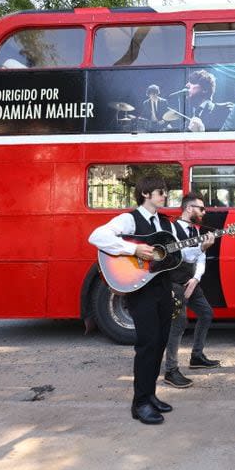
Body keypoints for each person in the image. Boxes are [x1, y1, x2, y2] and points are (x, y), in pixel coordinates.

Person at [87, 176, 176, 425]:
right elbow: (97, 236)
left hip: (162, 287)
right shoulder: (128, 219)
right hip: (141, 290)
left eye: (165, 192)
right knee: (147, 344)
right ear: (146, 193)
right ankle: (140, 404)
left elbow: (181, 252)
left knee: (160, 343)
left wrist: (202, 246)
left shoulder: (163, 223)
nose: (165, 195)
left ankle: (151, 395)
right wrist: (133, 249)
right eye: (161, 191)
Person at [163, 193, 220, 388]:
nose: (204, 212)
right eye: (201, 209)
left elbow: (200, 260)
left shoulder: (197, 232)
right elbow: (181, 255)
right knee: (178, 325)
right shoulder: (170, 229)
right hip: (172, 283)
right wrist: (201, 249)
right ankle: (170, 370)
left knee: (206, 314)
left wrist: (196, 279)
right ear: (189, 208)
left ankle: (196, 357)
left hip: (190, 281)